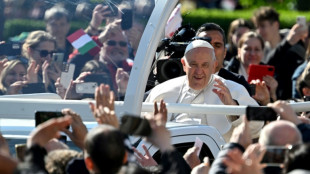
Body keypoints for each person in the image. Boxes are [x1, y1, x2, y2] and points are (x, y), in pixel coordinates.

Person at [145, 39, 263, 142]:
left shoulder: (232, 89)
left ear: (214, 65)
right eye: (193, 64)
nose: (199, 71)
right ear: (184, 64)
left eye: (205, 65)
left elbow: (257, 127)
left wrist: (232, 106)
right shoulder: (163, 90)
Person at [252, 6, 308, 99]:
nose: (259, 31)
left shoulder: (295, 42)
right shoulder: (261, 49)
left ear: (276, 25)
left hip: (296, 98)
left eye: (262, 26)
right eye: (257, 27)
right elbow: (267, 66)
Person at [196, 22, 252, 95]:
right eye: (206, 44)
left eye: (217, 45)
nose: (212, 49)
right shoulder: (182, 80)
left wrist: (265, 101)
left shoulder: (238, 83)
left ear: (225, 52)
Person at [225, 31, 278, 104]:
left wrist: (272, 93)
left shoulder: (269, 76)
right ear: (239, 52)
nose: (252, 54)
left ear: (262, 53)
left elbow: (273, 111)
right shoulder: (227, 73)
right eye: (248, 49)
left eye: (257, 49)